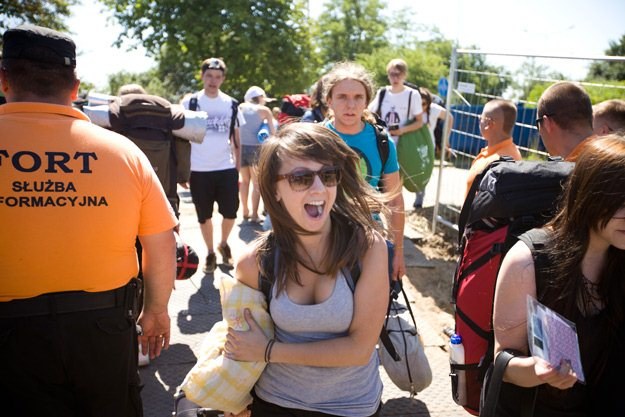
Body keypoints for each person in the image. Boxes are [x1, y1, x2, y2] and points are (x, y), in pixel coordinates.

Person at [0, 24, 177, 415]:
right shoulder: (122, 152)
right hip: (103, 330)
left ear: (4, 79)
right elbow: (161, 239)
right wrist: (156, 311)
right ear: (75, 86)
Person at [224, 123, 390, 417]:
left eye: (328, 175)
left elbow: (360, 349)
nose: (319, 188)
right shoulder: (254, 262)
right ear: (274, 189)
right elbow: (242, 340)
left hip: (353, 408)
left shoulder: (367, 248)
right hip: (275, 404)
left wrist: (269, 351)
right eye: (300, 178)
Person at [492, 134, 625, 416]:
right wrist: (539, 370)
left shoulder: (620, 256)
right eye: (620, 203)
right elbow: (504, 361)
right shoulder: (528, 260)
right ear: (589, 196)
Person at [323, 61, 406, 281]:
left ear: (367, 101)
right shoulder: (315, 138)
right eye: (342, 97)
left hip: (369, 236)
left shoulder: (382, 141)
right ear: (329, 100)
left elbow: (395, 200)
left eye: (358, 97)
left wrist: (397, 252)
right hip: (322, 236)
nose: (350, 105)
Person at [181, 57, 245, 273]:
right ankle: (209, 252)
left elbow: (237, 140)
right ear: (202, 76)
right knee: (204, 215)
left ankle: (224, 243)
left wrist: (237, 168)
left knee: (230, 212)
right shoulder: (189, 103)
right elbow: (181, 139)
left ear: (223, 79)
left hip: (225, 168)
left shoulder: (232, 104)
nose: (213, 80)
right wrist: (183, 171)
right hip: (199, 170)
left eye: (218, 77)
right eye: (209, 75)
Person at [465, 99, 522, 199]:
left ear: (489, 124)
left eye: (481, 118)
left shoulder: (496, 164)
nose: (479, 121)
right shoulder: (510, 152)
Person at [238, 85, 276, 224]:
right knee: (256, 183)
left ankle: (245, 211)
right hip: (256, 150)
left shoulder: (240, 107)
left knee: (244, 181)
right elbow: (273, 133)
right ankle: (254, 215)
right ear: (260, 97)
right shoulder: (264, 110)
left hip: (241, 148)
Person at [414, 86, 454, 208]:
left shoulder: (434, 110)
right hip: (411, 145)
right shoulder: (411, 107)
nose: (421, 107)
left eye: (424, 104)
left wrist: (446, 138)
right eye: (418, 103)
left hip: (427, 146)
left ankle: (419, 198)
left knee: (422, 172)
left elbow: (449, 117)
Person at [535, 81, 596, 162]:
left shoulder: (576, 171)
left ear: (547, 124)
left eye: (538, 125)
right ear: (592, 118)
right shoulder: (613, 154)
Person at [368, 58, 423, 144]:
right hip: (384, 142)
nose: (395, 78)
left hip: (404, 142)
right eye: (392, 74)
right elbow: (369, 113)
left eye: (398, 74)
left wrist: (402, 130)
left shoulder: (413, 94)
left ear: (405, 75)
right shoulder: (382, 92)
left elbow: (419, 122)